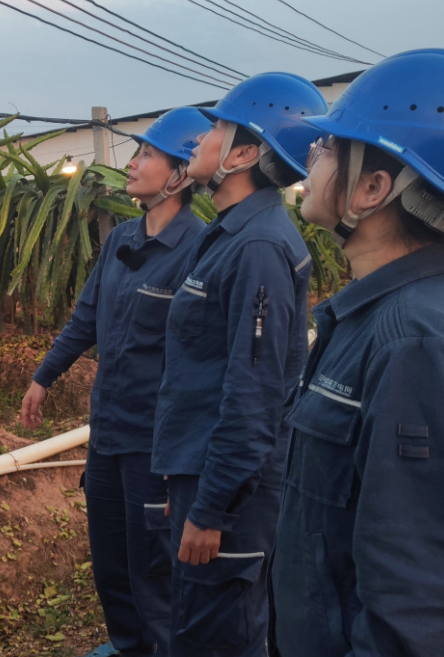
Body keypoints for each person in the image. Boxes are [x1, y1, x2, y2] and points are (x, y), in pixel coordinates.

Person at [272, 48, 444, 657]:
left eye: (328, 148)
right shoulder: (381, 316)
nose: (312, 158)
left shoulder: (414, 345)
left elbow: (414, 609)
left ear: (373, 188)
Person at [21, 107, 212, 657]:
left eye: (147, 154)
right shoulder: (121, 240)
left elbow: (202, 364)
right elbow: (86, 317)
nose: (132, 164)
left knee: (155, 570)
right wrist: (44, 376)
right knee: (110, 563)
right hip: (106, 435)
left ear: (179, 175)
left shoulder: (196, 252)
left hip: (156, 446)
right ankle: (128, 646)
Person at [151, 73, 326, 656]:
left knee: (220, 638)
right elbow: (204, 374)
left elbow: (252, 395)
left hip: (231, 503)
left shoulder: (257, 248)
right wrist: (185, 482)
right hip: (201, 475)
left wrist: (213, 505)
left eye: (218, 127)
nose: (201, 138)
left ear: (246, 153)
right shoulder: (229, 235)